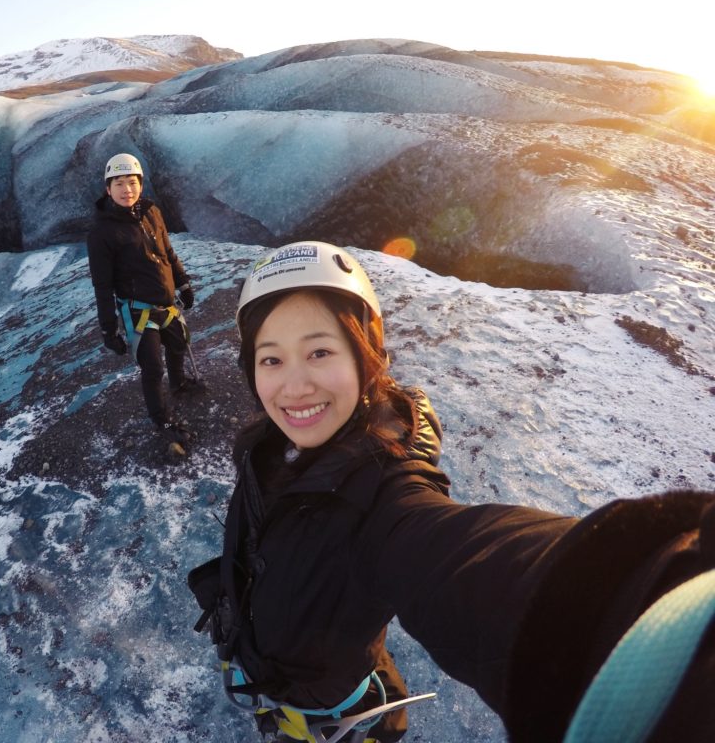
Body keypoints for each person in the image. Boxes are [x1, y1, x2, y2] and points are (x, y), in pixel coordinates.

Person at [189, 240, 715, 743]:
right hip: (273, 668)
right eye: (271, 359)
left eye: (321, 351)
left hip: (329, 715)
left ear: (365, 354)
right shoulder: (267, 447)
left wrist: (662, 609)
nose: (294, 386)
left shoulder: (384, 504)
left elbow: (482, 567)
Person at [86, 153, 202, 444]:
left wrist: (183, 282)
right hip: (138, 312)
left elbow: (168, 252)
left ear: (140, 184)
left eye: (132, 182)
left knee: (179, 344)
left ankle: (178, 384)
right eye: (120, 183)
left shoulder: (152, 212)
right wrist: (108, 329)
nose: (127, 190)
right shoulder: (102, 232)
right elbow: (102, 285)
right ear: (108, 188)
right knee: (153, 367)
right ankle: (162, 421)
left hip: (165, 303)